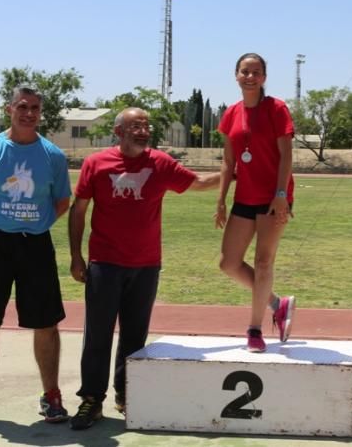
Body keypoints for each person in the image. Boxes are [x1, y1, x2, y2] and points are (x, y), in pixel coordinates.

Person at [67, 107, 220, 430]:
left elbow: (200, 183)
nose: (143, 130)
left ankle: (127, 395)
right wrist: (76, 256)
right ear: (119, 130)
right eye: (135, 125)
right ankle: (92, 399)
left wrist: (235, 172)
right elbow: (78, 211)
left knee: (135, 337)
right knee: (98, 335)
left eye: (146, 125)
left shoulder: (159, 163)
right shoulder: (96, 163)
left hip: (146, 264)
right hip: (104, 263)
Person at [0, 85, 72, 423]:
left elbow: (62, 201)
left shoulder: (52, 156)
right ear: (9, 109)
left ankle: (52, 396)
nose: (28, 113)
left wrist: (37, 222)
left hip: (34, 245)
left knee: (46, 323)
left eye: (34, 107)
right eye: (22, 106)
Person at [215, 53, 296, 353]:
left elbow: (286, 155)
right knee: (228, 263)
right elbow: (228, 161)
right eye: (245, 71)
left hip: (273, 199)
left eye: (256, 72)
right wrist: (221, 199)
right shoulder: (231, 113)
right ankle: (277, 303)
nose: (250, 76)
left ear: (264, 77)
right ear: (236, 75)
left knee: (264, 262)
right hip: (243, 198)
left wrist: (280, 195)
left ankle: (255, 329)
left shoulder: (276, 108)